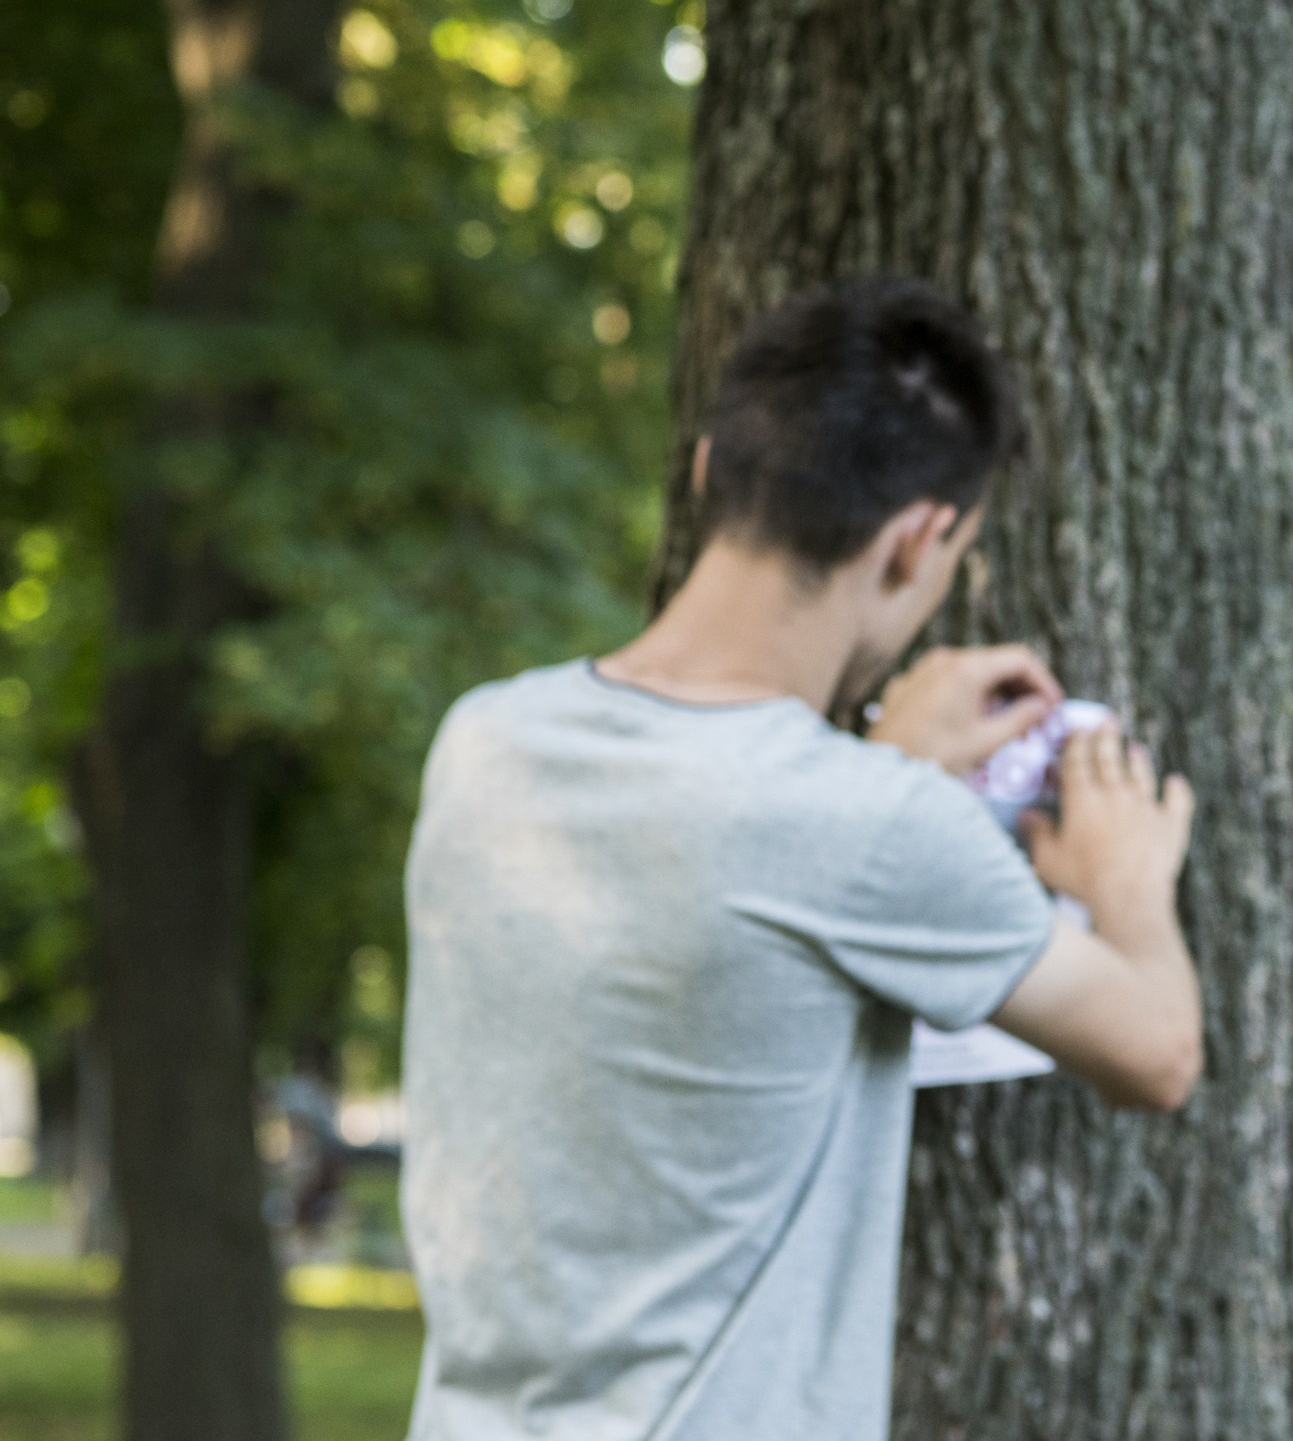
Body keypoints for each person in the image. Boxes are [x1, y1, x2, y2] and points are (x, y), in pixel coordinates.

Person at [398, 276, 1202, 1441]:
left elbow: (718, 875)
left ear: (709, 465)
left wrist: (885, 766)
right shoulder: (862, 825)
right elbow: (1157, 1053)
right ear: (919, 538)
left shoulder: (485, 740)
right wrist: (1125, 881)